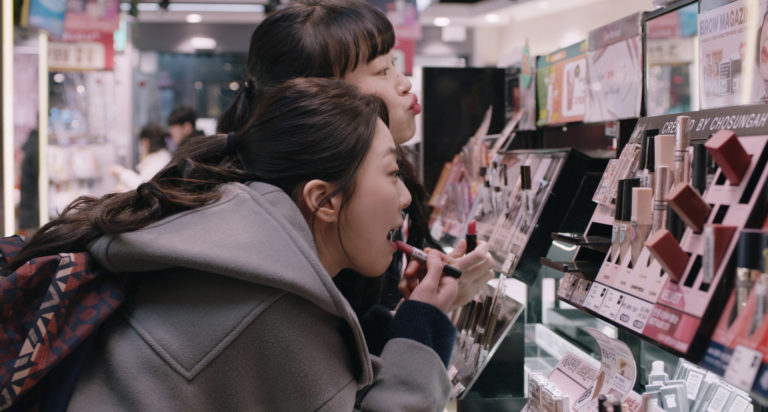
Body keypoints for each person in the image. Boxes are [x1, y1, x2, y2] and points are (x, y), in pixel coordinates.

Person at [6, 78, 457, 410]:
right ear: (324, 200)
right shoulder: (273, 304)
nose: (404, 198)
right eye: (393, 174)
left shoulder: (230, 245)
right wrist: (422, 326)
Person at [217, 0, 495, 320]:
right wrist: (421, 318)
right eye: (383, 71)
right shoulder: (277, 251)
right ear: (317, 98)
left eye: (394, 63)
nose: (405, 83)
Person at [110, 123, 172, 191]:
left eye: (140, 143)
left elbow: (142, 187)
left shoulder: (160, 161)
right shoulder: (162, 157)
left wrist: (121, 172)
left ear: (145, 142)